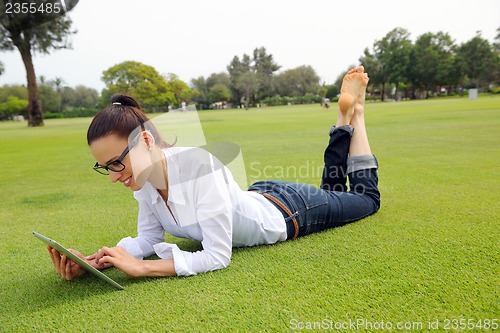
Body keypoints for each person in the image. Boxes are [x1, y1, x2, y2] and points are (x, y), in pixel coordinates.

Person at [48, 66, 380, 279]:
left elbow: (218, 256)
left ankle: (357, 114)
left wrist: (143, 268)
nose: (113, 177)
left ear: (146, 140)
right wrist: (100, 260)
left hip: (289, 211)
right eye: (105, 168)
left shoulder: (197, 166)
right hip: (258, 195)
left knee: (365, 199)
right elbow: (149, 238)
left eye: (117, 163)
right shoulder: (144, 182)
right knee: (335, 191)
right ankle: (343, 121)